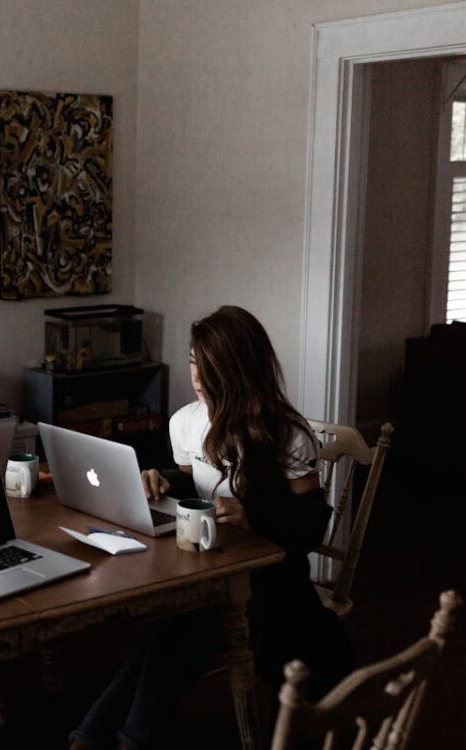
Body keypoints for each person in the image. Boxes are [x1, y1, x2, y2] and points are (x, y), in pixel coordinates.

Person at [70, 305, 352, 750]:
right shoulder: (185, 422)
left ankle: (124, 739)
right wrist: (162, 478)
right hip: (206, 565)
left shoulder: (286, 434)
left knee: (172, 639)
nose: (197, 375)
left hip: (267, 577)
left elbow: (313, 523)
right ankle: (91, 737)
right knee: (155, 640)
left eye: (209, 366)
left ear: (238, 370)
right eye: (193, 360)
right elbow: (194, 480)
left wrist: (253, 515)